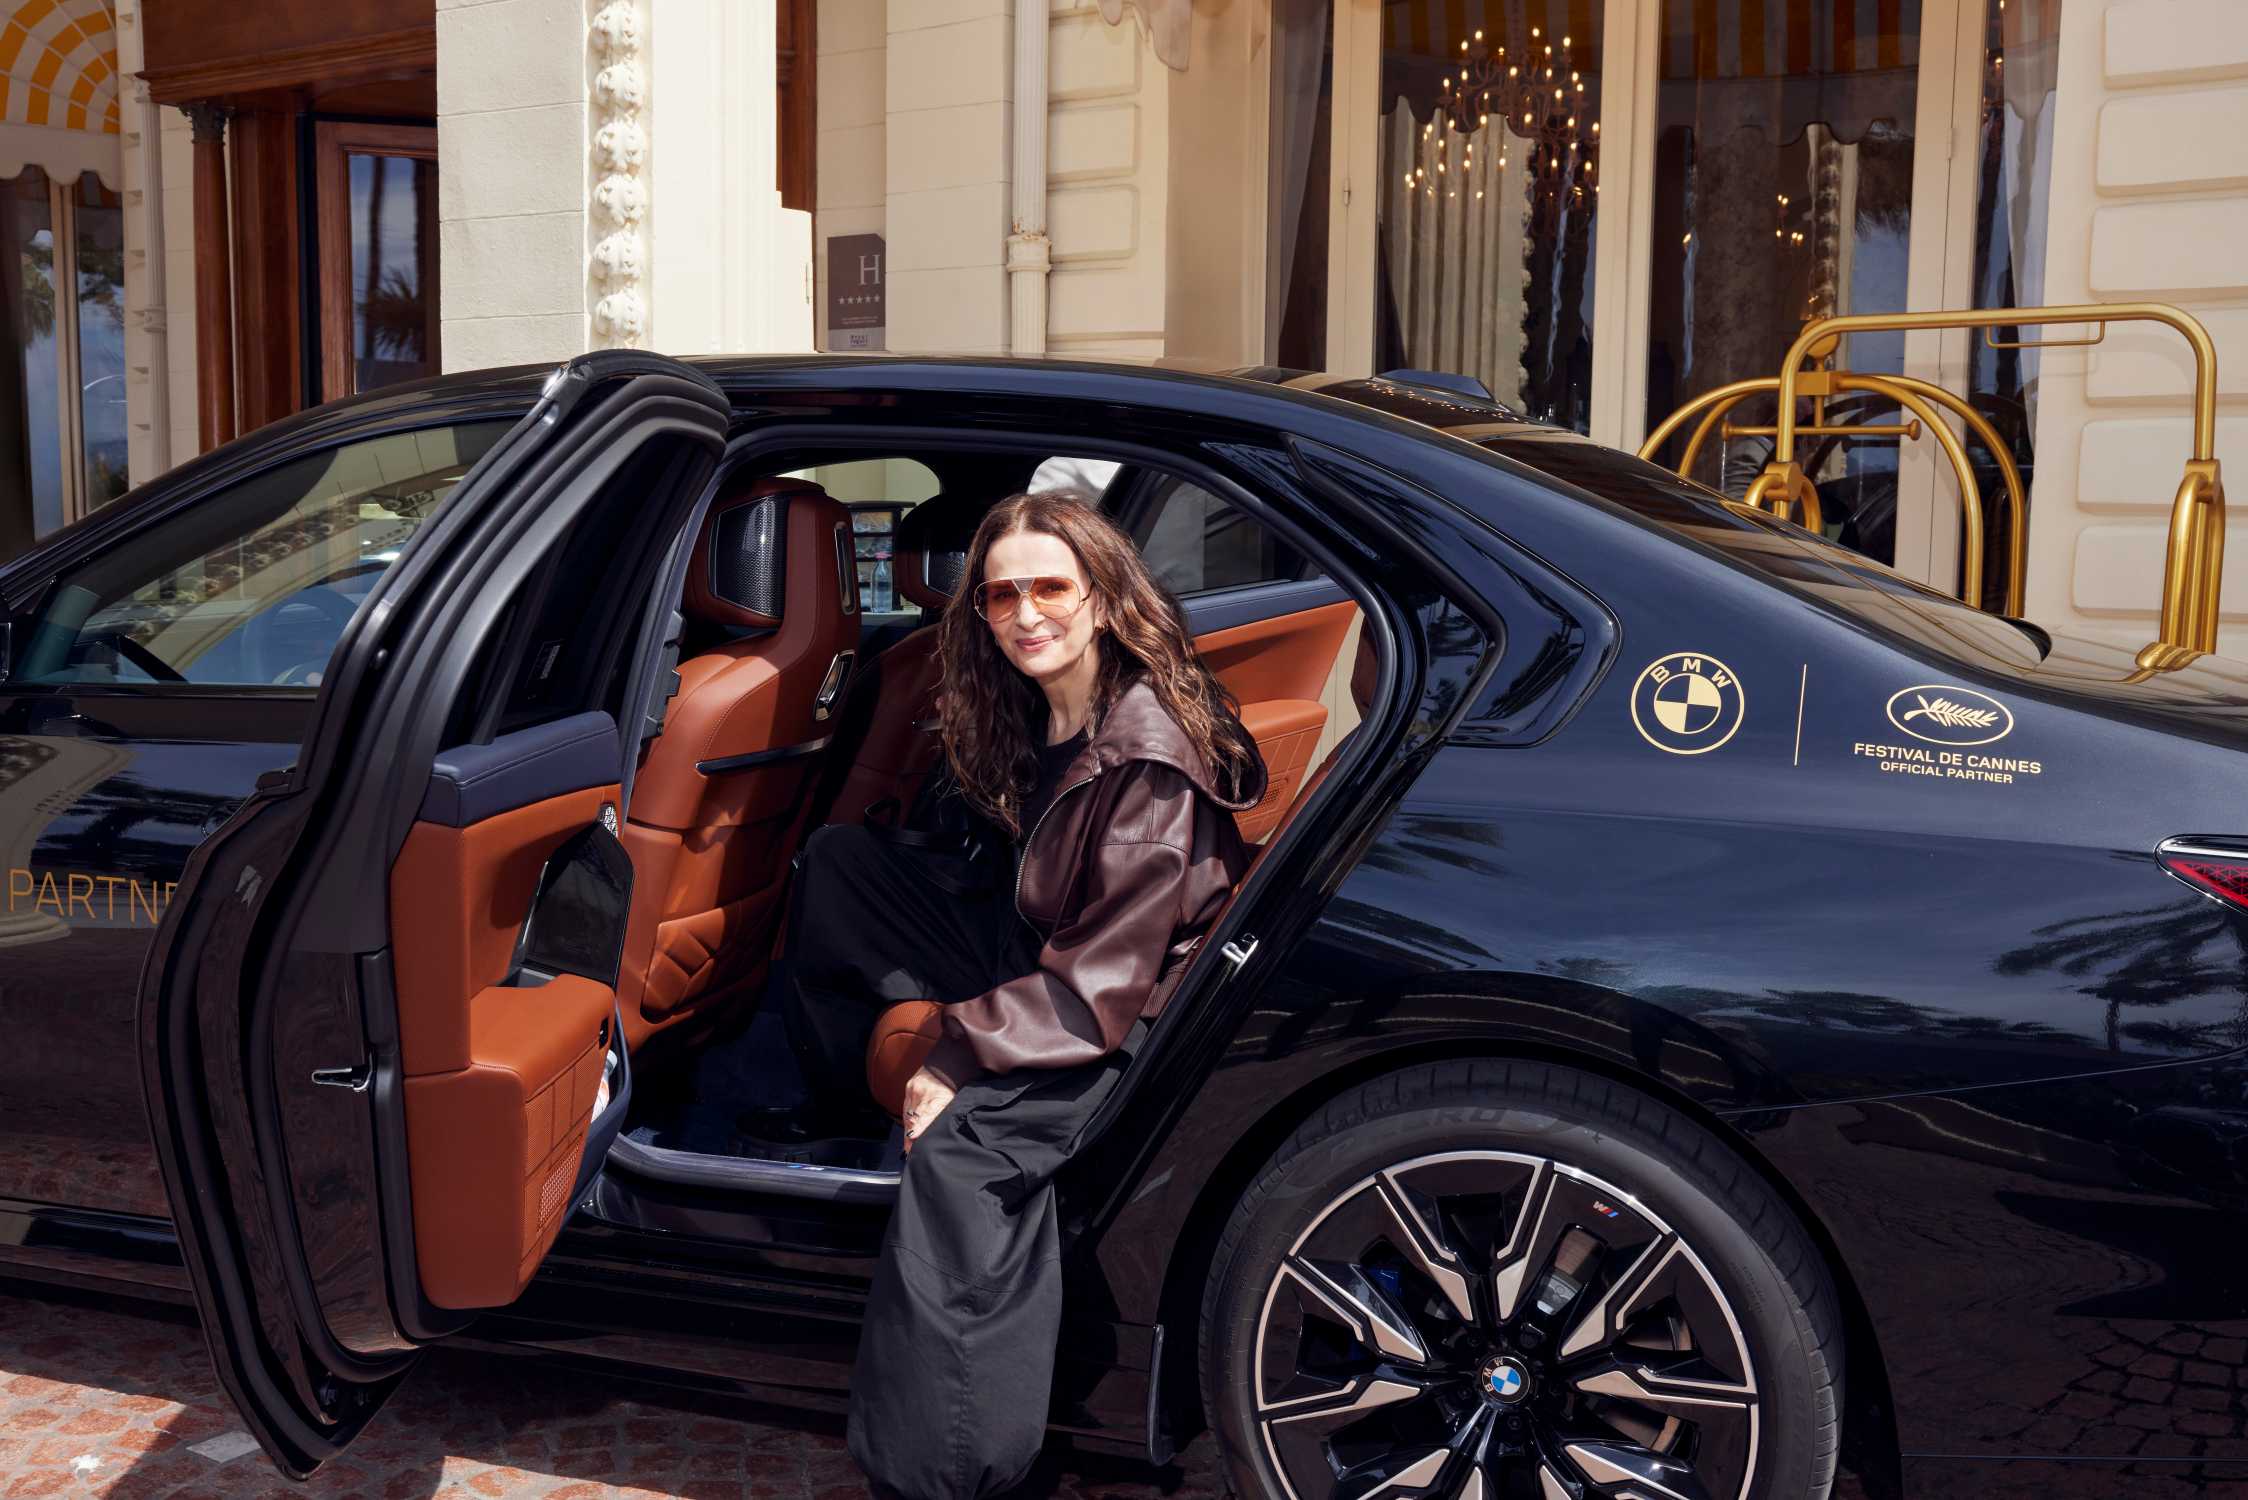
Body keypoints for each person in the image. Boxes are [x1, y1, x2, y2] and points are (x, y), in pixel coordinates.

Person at [773, 489, 1268, 1500]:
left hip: (1118, 1021)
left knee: (962, 1158)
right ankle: (833, 1103)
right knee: (841, 865)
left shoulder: (1145, 756)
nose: (1026, 614)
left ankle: (947, 1473)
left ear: (1102, 596)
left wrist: (952, 1055)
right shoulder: (1048, 706)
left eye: (1050, 588)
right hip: (1041, 953)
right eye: (1002, 597)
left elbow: (1094, 993)